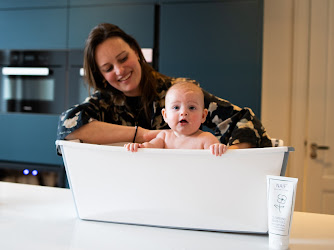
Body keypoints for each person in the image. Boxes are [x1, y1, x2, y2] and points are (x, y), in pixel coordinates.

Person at [56, 23, 272, 153]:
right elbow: (68, 126)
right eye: (108, 68)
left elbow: (244, 120)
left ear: (136, 52)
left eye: (123, 58)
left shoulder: (178, 93)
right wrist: (143, 135)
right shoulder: (103, 101)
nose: (120, 70)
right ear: (101, 76)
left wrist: (224, 157)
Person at [124, 81, 227, 156]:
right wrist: (139, 147)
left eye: (191, 107)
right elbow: (149, 147)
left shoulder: (206, 139)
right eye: (176, 107)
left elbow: (217, 162)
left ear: (203, 116)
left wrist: (219, 148)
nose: (183, 112)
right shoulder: (164, 137)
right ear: (165, 115)